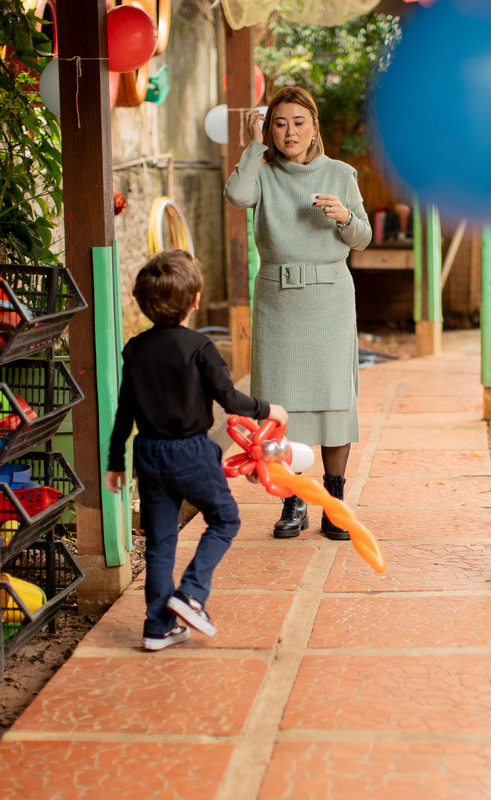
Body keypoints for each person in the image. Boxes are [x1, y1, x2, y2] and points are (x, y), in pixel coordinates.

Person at [103, 250, 288, 650]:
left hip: (148, 454)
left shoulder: (135, 350)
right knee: (224, 519)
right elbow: (229, 398)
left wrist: (115, 462)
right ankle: (190, 594)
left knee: (160, 542)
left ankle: (157, 627)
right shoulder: (200, 347)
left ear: (142, 301)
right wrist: (269, 409)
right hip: (191, 453)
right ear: (196, 299)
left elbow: (125, 411)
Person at [224, 86, 372, 541]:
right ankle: (293, 500)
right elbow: (237, 195)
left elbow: (363, 238)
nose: (290, 131)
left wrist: (344, 217)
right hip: (277, 300)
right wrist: (251, 146)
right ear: (270, 129)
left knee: (333, 398)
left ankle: (334, 502)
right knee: (281, 405)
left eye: (299, 122)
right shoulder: (262, 171)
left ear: (314, 129)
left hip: (329, 300)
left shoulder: (341, 174)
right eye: (280, 123)